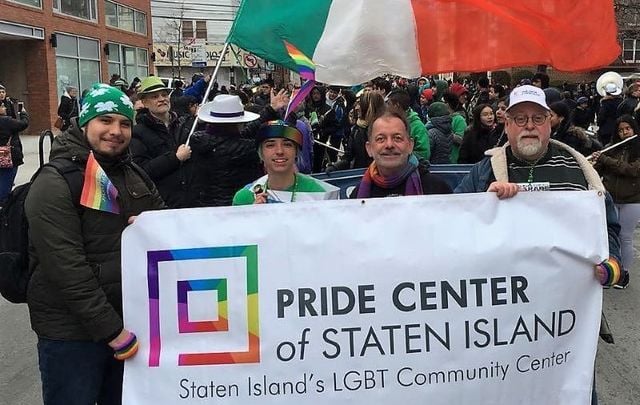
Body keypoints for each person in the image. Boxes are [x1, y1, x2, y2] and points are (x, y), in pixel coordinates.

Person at [25, 83, 164, 405]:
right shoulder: (54, 181)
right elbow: (66, 269)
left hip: (128, 326)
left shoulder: (133, 173)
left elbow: (167, 226)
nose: (116, 131)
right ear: (85, 123)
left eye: (125, 123)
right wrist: (111, 331)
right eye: (106, 121)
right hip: (73, 335)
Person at [191, 91, 288, 206]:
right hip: (234, 206)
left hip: (206, 205)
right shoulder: (242, 148)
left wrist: (271, 109)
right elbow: (274, 143)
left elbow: (245, 133)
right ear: (236, 124)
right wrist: (289, 116)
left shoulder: (200, 139)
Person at [350, 105, 452, 198]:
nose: (389, 145)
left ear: (410, 145)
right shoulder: (356, 196)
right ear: (369, 148)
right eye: (381, 139)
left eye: (397, 138)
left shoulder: (437, 190)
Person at [233, 120, 339, 205]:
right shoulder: (245, 197)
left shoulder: (319, 195)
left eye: (287, 144)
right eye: (270, 145)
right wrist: (251, 218)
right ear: (261, 154)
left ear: (296, 152)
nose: (279, 151)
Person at [592, 115, 640, 289]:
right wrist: (595, 161)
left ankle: (624, 273)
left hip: (632, 200)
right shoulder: (611, 148)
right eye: (620, 130)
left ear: (634, 129)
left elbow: (632, 170)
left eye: (627, 129)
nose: (624, 133)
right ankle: (609, 270)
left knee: (625, 237)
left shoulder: (638, 149)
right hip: (611, 198)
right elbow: (598, 171)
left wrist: (605, 159)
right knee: (608, 236)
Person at [130, 76, 193, 208]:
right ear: (145, 103)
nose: (161, 99)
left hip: (191, 202)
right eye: (154, 97)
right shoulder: (137, 133)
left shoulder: (186, 124)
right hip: (164, 204)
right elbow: (142, 170)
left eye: (164, 94)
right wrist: (175, 158)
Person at [327, 91, 385, 172]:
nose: (356, 108)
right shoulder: (356, 130)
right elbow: (348, 157)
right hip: (359, 176)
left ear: (370, 108)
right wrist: (334, 167)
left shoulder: (385, 132)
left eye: (360, 105)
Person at [387, 89, 431, 161]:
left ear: (396, 105)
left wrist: (402, 155)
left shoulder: (418, 126)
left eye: (389, 104)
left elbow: (424, 154)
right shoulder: (390, 123)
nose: (387, 107)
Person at [0, 102, 28, 204]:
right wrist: (23, 113)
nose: (4, 108)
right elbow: (23, 124)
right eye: (2, 106)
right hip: (7, 155)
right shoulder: (5, 121)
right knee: (6, 180)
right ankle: (3, 202)